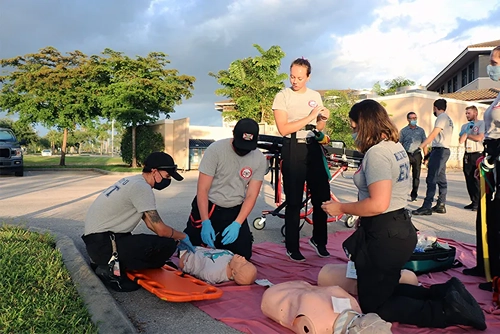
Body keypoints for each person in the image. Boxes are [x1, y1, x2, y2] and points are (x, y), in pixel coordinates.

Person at [321, 99, 485, 329]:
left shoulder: (377, 154)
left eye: (354, 126)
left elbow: (378, 203)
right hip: (395, 227)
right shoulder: (393, 146)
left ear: (365, 124)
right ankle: (443, 294)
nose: (353, 131)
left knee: (375, 306)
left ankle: (444, 311)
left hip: (386, 233)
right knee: (385, 288)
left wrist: (341, 208)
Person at [82, 151, 196, 292]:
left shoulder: (133, 181)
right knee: (166, 245)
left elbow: (150, 224)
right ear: (154, 171)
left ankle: (107, 263)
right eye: (167, 176)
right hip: (105, 245)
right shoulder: (141, 188)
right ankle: (108, 269)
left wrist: (173, 236)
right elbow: (160, 229)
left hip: (98, 243)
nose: (168, 181)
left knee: (160, 242)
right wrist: (182, 236)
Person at [272, 57, 331, 262]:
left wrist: (322, 118)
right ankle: (292, 246)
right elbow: (284, 128)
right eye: (292, 76)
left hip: (312, 146)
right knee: (295, 200)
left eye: (299, 77)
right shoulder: (283, 96)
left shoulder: (314, 95)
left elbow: (319, 127)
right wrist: (309, 117)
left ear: (308, 77)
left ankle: (319, 240)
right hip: (292, 147)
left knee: (322, 197)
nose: (295, 81)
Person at [184, 118, 267, 260]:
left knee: (243, 256)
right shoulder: (215, 150)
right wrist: (205, 221)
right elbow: (202, 190)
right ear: (233, 135)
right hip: (209, 206)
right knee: (189, 250)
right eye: (240, 146)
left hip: (234, 210)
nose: (242, 151)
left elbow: (251, 195)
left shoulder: (259, 158)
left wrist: (238, 223)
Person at [463, 45, 500, 291]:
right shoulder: (497, 95)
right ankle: (484, 264)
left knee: (497, 217)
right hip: (491, 157)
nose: (490, 67)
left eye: (494, 63)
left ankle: (497, 275)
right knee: (485, 216)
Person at [412, 99, 454, 215]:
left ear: (435, 107)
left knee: (431, 178)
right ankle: (441, 204)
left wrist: (420, 147)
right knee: (441, 179)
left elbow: (433, 134)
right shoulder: (448, 118)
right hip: (443, 150)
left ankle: (427, 206)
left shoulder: (441, 118)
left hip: (440, 151)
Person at [178, 246, 257, 285]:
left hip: (186, 258)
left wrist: (185, 260)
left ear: (234, 273)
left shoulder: (214, 274)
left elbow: (198, 273)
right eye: (246, 261)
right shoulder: (231, 257)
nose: (243, 258)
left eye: (243, 263)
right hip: (196, 248)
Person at [458, 105, 484, 211]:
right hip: (467, 154)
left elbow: (479, 138)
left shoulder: (481, 123)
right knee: (468, 178)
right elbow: (460, 140)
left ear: (475, 113)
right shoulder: (465, 126)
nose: (467, 115)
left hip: (477, 153)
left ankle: (479, 203)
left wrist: (468, 135)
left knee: (476, 179)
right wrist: (466, 132)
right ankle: (473, 201)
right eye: (466, 113)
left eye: (469, 113)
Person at [399, 111, 428, 202]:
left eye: (415, 118)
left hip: (417, 154)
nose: (413, 120)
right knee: (404, 176)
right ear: (408, 120)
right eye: (411, 118)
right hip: (406, 154)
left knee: (416, 176)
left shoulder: (421, 131)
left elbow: (425, 144)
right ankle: (402, 194)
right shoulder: (403, 131)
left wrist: (426, 157)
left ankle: (414, 194)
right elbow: (400, 144)